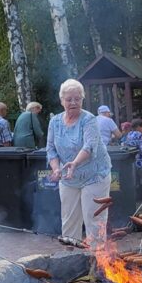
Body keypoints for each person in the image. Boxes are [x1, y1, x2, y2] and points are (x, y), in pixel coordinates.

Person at [47, 79, 112, 243]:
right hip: (68, 177)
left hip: (94, 175)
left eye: (77, 99)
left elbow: (89, 147)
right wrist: (56, 169)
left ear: (82, 99)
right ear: (61, 101)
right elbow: (50, 149)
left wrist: (74, 163)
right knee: (69, 220)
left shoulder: (89, 120)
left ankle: (97, 261)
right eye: (69, 99)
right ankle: (70, 258)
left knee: (94, 219)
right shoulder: (54, 122)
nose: (73, 102)